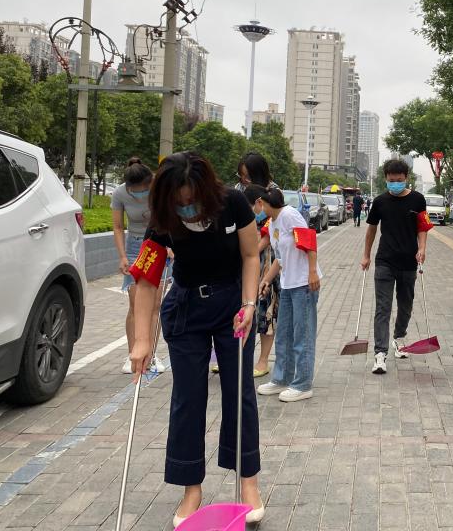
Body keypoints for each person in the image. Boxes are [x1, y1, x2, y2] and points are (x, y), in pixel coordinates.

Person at [128, 152, 265, 526]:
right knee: (188, 399)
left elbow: (250, 255)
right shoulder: (163, 216)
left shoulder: (232, 203)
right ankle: (191, 489)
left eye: (192, 201)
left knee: (239, 393)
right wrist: (142, 341)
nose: (187, 209)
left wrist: (249, 304)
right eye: (180, 203)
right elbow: (146, 280)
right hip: (187, 307)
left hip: (232, 306)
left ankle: (248, 481)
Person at [245, 185, 321, 402]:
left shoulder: (289, 215)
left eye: (253, 207)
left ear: (260, 202)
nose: (254, 212)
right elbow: (280, 258)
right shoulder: (273, 222)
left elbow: (309, 243)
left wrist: (312, 272)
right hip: (287, 284)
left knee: (302, 336)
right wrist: (266, 280)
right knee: (284, 335)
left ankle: (303, 384)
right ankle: (282, 379)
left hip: (304, 284)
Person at [361, 159, 433, 374]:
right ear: (385, 178)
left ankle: (399, 338)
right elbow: (371, 229)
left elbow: (423, 226)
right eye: (391, 180)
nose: (395, 184)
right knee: (383, 308)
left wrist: (422, 248)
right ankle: (380, 354)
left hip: (409, 262)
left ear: (406, 178)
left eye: (399, 180)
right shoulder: (380, 201)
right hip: (385, 261)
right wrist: (366, 255)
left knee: (405, 305)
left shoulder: (418, 200)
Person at [111, 157, 166, 375]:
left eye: (144, 190)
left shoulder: (158, 189)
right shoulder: (119, 193)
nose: (140, 194)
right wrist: (122, 256)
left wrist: (171, 245)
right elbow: (117, 226)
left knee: (155, 306)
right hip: (135, 247)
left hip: (159, 244)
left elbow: (169, 217)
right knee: (136, 305)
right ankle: (132, 353)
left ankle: (150, 355)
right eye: (135, 191)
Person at [234, 152, 280, 378]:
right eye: (241, 176)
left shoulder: (272, 192)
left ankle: (262, 360)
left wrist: (252, 248)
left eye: (247, 176)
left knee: (264, 308)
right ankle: (233, 354)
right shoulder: (237, 190)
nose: (244, 180)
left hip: (265, 259)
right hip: (240, 255)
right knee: (237, 305)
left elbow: (273, 229)